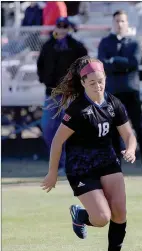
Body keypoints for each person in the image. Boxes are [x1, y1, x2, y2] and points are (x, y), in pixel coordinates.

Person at [41, 56, 137, 251]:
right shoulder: (77, 109)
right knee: (102, 218)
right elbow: (57, 142)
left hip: (107, 160)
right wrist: (52, 173)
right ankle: (80, 215)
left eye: (101, 81)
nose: (98, 86)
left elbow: (129, 134)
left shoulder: (114, 103)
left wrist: (130, 149)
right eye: (92, 82)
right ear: (83, 83)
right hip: (81, 166)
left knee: (120, 211)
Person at [98, 10, 142, 176]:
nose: (119, 24)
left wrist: (114, 61)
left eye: (122, 21)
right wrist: (120, 64)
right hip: (112, 93)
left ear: (127, 23)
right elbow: (103, 64)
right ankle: (115, 167)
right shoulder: (105, 42)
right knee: (113, 130)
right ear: (113, 23)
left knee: (138, 127)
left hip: (131, 91)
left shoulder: (134, 43)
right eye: (117, 21)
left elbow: (134, 63)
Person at [37, 17, 88, 175]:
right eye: (59, 25)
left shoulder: (76, 46)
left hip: (70, 95)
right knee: (47, 128)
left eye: (65, 26)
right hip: (51, 94)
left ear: (69, 28)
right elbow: (40, 65)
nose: (62, 29)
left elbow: (85, 65)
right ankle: (58, 162)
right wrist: (45, 80)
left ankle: (68, 164)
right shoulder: (48, 46)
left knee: (69, 130)